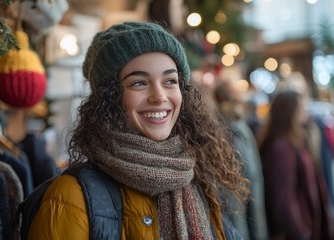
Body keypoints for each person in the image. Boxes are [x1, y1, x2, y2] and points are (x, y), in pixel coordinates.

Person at [27, 21, 249, 240]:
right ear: (109, 98)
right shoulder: (70, 198)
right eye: (139, 83)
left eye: (170, 81)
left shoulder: (199, 181)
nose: (159, 96)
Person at [257, 90, 333, 240]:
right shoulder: (281, 148)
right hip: (298, 231)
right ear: (290, 111)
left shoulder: (293, 141)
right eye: (301, 107)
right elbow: (283, 200)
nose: (305, 110)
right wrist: (301, 233)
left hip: (305, 226)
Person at [213, 79, 268, 240]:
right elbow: (233, 195)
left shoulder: (241, 127)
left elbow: (253, 179)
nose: (241, 102)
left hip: (247, 217)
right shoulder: (224, 131)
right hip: (237, 222)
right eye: (236, 99)